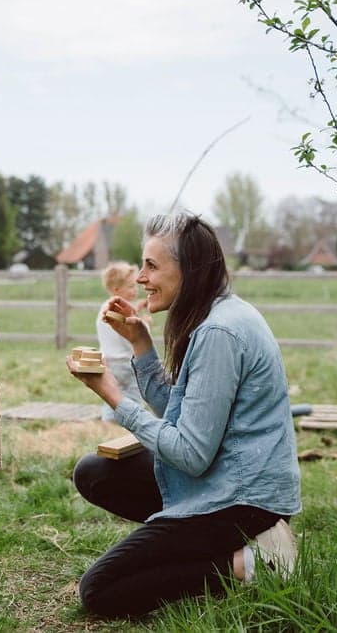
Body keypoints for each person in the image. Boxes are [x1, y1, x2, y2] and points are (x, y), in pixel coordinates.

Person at [66, 211, 302, 619]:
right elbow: (182, 411)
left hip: (242, 497)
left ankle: (251, 562)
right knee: (95, 472)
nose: (141, 277)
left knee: (100, 590)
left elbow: (191, 452)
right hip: (225, 474)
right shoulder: (218, 314)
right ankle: (198, 541)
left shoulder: (218, 333)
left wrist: (115, 397)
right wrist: (141, 343)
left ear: (189, 270)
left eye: (152, 266)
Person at [95, 261, 147, 422]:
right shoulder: (120, 311)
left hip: (109, 363)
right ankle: (136, 423)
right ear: (116, 290)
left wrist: (137, 310)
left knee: (112, 395)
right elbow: (133, 333)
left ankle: (108, 423)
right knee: (134, 395)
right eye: (131, 286)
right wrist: (144, 324)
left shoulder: (106, 307)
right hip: (126, 363)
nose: (135, 289)